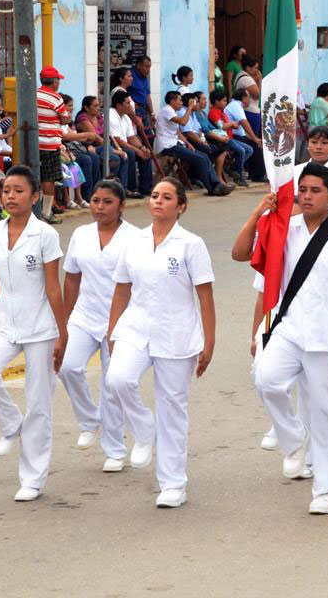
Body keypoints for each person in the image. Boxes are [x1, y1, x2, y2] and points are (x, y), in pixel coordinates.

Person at [234, 163, 328, 515]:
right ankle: (294, 437)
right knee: (266, 379)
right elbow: (240, 253)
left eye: (315, 191)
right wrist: (259, 211)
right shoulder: (283, 226)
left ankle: (327, 489)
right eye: (303, 190)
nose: (307, 196)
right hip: (288, 328)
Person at [106, 177, 217, 508]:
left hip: (177, 333)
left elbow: (205, 296)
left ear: (181, 206)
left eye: (167, 197)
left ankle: (173, 484)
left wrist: (209, 341)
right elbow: (122, 289)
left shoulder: (191, 244)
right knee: (117, 379)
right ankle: (144, 430)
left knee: (172, 407)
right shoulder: (134, 242)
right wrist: (113, 331)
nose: (158, 201)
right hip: (135, 327)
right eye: (155, 195)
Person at [0, 166, 66, 501]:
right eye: (6, 190)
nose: (11, 196)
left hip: (40, 325)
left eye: (18, 191)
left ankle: (32, 479)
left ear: (35, 196)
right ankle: (12, 423)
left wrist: (62, 333)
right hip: (4, 322)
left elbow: (53, 288)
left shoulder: (45, 235)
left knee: (39, 402)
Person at [58, 181, 140, 471]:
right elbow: (71, 278)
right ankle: (90, 420)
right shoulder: (81, 234)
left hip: (121, 319)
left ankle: (115, 451)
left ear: (122, 206)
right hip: (84, 314)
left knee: (111, 384)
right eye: (95, 201)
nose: (100, 207)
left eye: (107, 202)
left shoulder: (136, 238)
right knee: (67, 366)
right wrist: (64, 321)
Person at [154, 91, 233, 196]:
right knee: (200, 159)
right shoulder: (167, 110)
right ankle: (213, 188)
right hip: (167, 146)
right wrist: (190, 108)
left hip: (175, 143)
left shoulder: (172, 111)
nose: (181, 102)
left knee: (204, 156)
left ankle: (217, 185)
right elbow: (183, 122)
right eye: (179, 100)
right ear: (172, 101)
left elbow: (178, 133)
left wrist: (188, 144)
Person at [35, 66, 69, 224]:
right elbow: (65, 119)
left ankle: (36, 210)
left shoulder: (34, 95)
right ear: (54, 81)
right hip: (49, 144)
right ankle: (46, 212)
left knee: (36, 176)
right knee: (48, 178)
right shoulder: (56, 98)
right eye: (58, 80)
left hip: (35, 143)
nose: (59, 83)